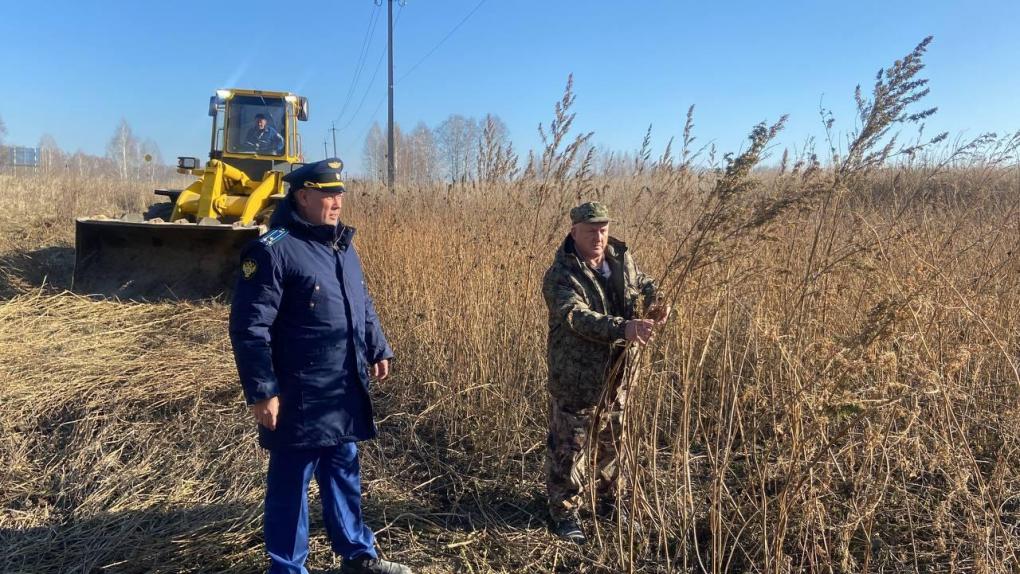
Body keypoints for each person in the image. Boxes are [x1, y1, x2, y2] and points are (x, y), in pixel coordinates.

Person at [229, 158, 412, 574]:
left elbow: (360, 302)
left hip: (340, 387)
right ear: (303, 197)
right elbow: (249, 327)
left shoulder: (341, 245)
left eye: (340, 193)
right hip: (297, 393)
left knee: (344, 472)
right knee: (290, 486)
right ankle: (287, 567)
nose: (338, 200)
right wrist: (262, 390)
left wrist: (377, 346)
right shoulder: (272, 250)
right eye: (328, 194)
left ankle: (358, 556)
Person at [541, 201, 670, 544]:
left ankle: (610, 505)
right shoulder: (560, 275)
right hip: (577, 376)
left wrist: (657, 299)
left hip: (618, 375)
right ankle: (564, 513)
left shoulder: (620, 258)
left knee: (613, 442)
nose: (598, 237)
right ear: (574, 233)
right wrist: (623, 328)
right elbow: (575, 316)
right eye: (590, 231)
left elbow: (644, 283)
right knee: (569, 448)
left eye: (603, 229)